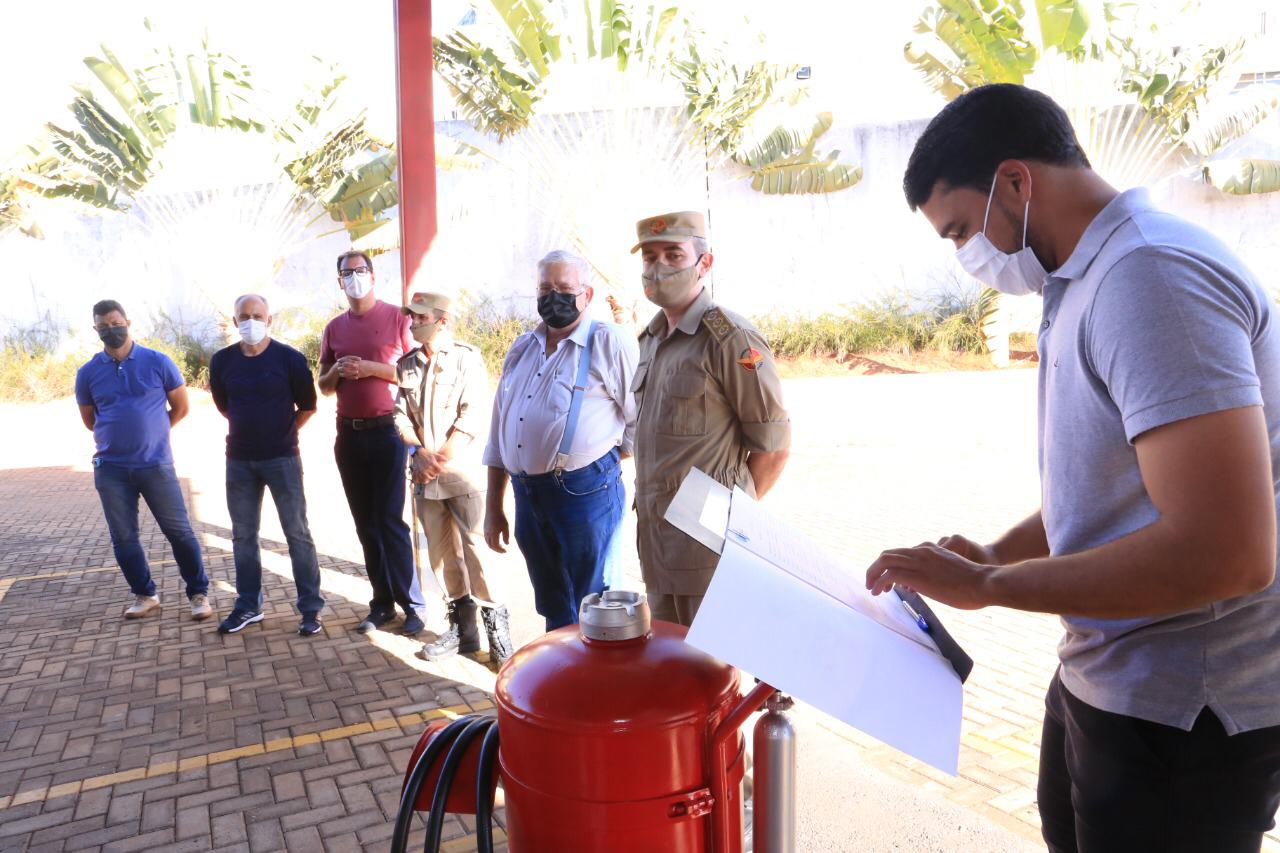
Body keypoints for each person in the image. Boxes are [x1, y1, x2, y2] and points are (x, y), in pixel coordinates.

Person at [866, 83, 1280, 852]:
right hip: (1107, 672)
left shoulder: (1152, 278)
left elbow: (1228, 552)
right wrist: (995, 554)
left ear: (1015, 182)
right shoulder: (1085, 278)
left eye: (961, 229)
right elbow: (1109, 491)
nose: (966, 256)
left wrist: (990, 587)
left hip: (1184, 711)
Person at [631, 211, 791, 626]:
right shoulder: (651, 339)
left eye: (673, 255)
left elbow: (773, 448)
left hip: (709, 553)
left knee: (715, 661)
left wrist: (726, 521)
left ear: (704, 264)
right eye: (650, 257)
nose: (659, 267)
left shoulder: (729, 337)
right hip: (657, 547)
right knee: (670, 657)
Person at [482, 250, 638, 631]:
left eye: (565, 288)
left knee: (599, 605)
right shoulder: (521, 348)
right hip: (527, 495)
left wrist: (602, 459)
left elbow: (641, 420)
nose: (554, 297)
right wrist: (493, 506)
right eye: (545, 289)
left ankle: (599, 669)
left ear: (587, 294)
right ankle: (564, 664)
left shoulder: (608, 342)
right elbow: (499, 431)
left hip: (585, 494)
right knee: (553, 602)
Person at [395, 292, 514, 665]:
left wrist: (437, 459)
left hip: (462, 475)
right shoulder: (407, 364)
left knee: (479, 554)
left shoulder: (467, 359)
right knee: (442, 555)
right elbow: (399, 415)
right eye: (412, 318)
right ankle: (463, 630)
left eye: (421, 317)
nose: (414, 324)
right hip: (425, 476)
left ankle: (498, 635)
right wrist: (418, 452)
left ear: (442, 321)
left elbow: (472, 416)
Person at [75, 299, 212, 621]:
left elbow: (181, 407)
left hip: (156, 465)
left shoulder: (158, 361)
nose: (111, 330)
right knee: (123, 538)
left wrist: (154, 432)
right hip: (111, 469)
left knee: (179, 532)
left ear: (128, 322)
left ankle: (198, 594)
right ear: (95, 329)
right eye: (104, 326)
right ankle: (145, 594)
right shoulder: (88, 373)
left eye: (116, 323)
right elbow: (90, 420)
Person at [318, 250, 426, 635]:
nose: (354, 278)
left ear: (373, 275)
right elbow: (323, 386)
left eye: (360, 270)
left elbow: (414, 373)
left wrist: (369, 368)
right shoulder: (334, 328)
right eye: (347, 273)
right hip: (349, 435)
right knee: (366, 524)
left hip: (388, 431)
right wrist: (338, 370)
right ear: (339, 281)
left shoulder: (398, 318)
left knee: (390, 521)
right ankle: (382, 604)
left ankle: (413, 605)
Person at [208, 294, 325, 636]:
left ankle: (310, 609)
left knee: (297, 534)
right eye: (244, 316)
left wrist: (282, 432)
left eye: (257, 316)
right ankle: (248, 606)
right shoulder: (222, 361)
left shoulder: (289, 359)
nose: (251, 322)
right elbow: (224, 405)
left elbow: (307, 405)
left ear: (269, 320)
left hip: (282, 459)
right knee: (243, 535)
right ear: (235, 322)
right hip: (239, 460)